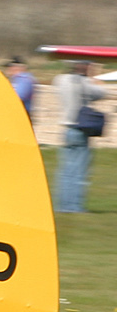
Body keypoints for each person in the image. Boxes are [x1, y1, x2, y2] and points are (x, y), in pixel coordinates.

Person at [54, 60, 107, 213]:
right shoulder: (83, 82)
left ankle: (63, 205)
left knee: (65, 171)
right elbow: (101, 93)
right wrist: (95, 77)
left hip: (67, 129)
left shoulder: (61, 79)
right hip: (80, 129)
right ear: (84, 67)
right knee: (79, 171)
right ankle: (74, 206)